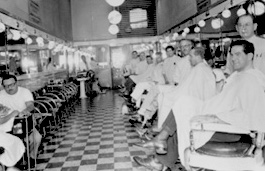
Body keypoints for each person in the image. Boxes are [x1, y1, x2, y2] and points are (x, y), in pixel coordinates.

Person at [133, 40, 265, 170]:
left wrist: (216, 117)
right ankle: (161, 142)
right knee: (184, 103)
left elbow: (252, 118)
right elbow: (225, 101)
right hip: (223, 119)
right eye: (232, 54)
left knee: (183, 119)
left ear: (250, 56)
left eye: (238, 54)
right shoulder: (239, 76)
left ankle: (159, 156)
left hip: (234, 131)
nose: (233, 58)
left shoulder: (252, 80)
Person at [0, 74, 42, 167]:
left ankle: (31, 156)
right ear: (3, 86)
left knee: (36, 138)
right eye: (6, 86)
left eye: (12, 85)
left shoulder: (24, 92)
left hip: (24, 122)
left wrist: (25, 111)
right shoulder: (1, 95)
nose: (9, 88)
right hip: (6, 127)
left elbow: (30, 105)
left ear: (16, 83)